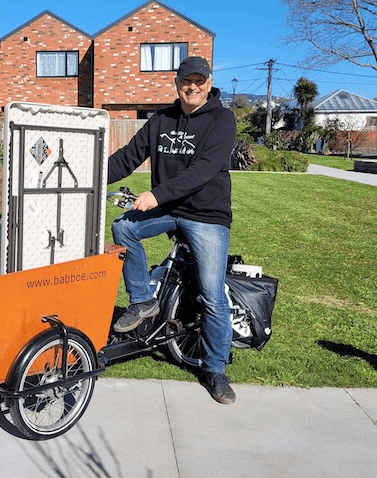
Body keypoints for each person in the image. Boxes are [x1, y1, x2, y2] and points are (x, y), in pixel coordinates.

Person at [107, 56, 237, 404]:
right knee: (123, 228)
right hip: (169, 209)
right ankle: (143, 301)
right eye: (186, 81)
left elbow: (205, 170)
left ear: (209, 84)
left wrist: (156, 194)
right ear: (177, 83)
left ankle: (215, 369)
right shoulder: (161, 119)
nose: (192, 87)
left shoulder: (222, 120)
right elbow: (125, 158)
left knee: (212, 295)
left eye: (199, 81)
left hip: (207, 215)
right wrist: (86, 173)